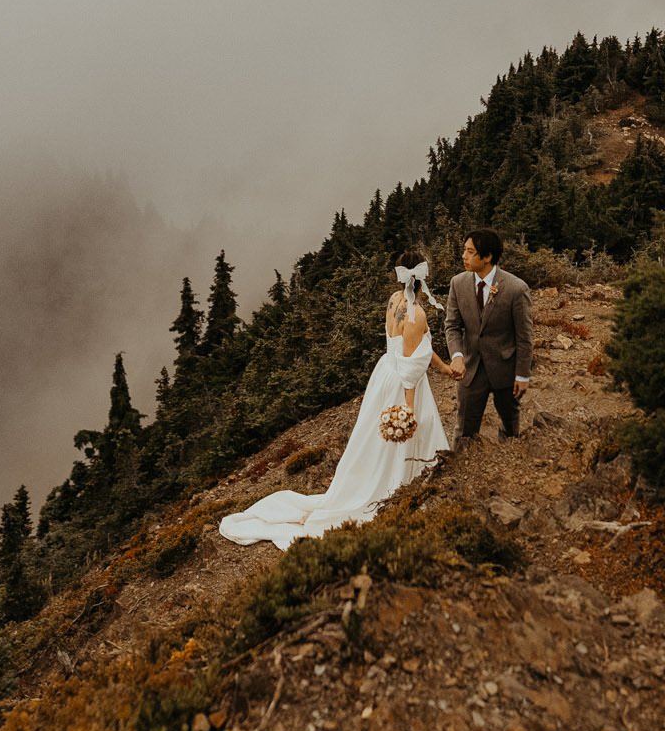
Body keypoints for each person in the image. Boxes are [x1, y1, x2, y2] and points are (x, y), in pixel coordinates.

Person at [217, 253, 453, 549]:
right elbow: (411, 367)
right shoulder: (416, 314)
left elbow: (415, 348)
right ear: (422, 278)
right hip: (403, 383)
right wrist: (407, 409)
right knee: (413, 430)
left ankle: (388, 481)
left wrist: (443, 368)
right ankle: (405, 487)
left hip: (384, 374)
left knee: (373, 440)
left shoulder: (395, 300)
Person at [443, 227, 531, 443]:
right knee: (464, 431)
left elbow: (524, 336)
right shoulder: (458, 283)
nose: (464, 256)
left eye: (470, 251)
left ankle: (507, 465)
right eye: (464, 250)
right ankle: (461, 469)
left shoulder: (516, 288)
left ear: (488, 256)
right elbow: (452, 325)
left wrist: (522, 375)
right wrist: (457, 356)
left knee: (510, 428)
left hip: (505, 370)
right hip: (471, 370)